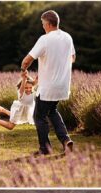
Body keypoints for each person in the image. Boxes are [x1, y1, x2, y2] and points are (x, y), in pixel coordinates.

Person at [21, 10, 76, 155]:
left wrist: (23, 69)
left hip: (48, 88)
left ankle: (45, 149)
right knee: (52, 111)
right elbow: (72, 58)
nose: (43, 26)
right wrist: (55, 66)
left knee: (38, 117)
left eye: (43, 24)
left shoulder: (45, 39)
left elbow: (28, 59)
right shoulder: (67, 37)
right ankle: (66, 141)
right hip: (62, 86)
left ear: (49, 24)